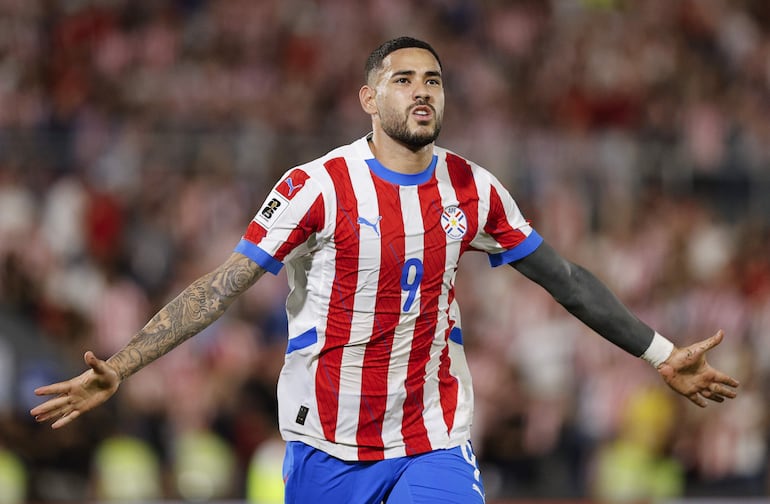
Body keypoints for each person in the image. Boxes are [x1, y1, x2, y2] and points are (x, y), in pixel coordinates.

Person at [30, 36, 739, 503]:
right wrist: (123, 362)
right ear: (370, 98)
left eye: (433, 79)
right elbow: (222, 286)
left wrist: (661, 352)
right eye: (403, 80)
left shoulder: (474, 188)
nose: (422, 91)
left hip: (430, 437)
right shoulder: (316, 186)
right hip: (325, 444)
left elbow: (566, 279)